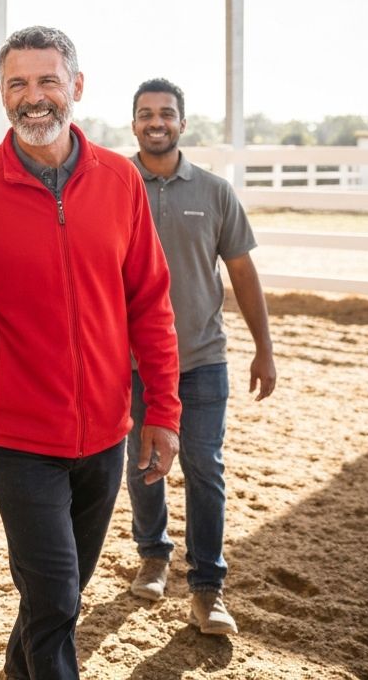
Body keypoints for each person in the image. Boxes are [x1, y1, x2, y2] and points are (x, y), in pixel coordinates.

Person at [0, 26, 182, 680]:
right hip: (19, 435)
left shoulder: (119, 180)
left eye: (47, 81)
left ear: (76, 88)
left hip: (104, 434)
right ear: (3, 95)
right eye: (18, 85)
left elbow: (150, 302)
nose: (34, 98)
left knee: (53, 599)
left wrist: (163, 412)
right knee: (56, 600)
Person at [126, 77, 277, 635]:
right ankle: (153, 554)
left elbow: (242, 273)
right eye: (146, 114)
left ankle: (208, 588)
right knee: (143, 463)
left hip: (202, 359)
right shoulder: (118, 185)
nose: (156, 122)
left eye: (166, 113)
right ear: (134, 122)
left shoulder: (215, 192)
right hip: (135, 362)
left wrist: (265, 348)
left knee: (203, 469)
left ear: (182, 123)